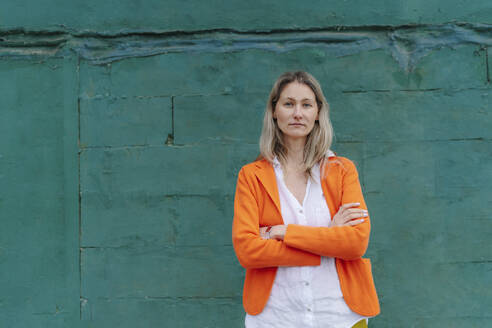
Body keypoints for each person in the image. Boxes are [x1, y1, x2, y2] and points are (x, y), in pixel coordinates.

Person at [231, 71, 380, 328]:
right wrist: (327, 239)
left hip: (340, 316)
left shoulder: (342, 170)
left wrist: (284, 232)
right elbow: (248, 251)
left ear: (318, 113)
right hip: (275, 317)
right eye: (288, 104)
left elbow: (356, 243)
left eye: (306, 104)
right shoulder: (251, 176)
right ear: (274, 111)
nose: (297, 113)